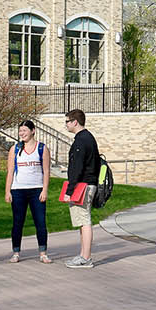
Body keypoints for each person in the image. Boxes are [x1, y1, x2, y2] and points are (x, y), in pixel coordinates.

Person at [5, 120, 52, 264]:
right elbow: (10, 171)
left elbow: (46, 171)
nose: (22, 134)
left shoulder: (42, 148)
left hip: (36, 190)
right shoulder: (15, 148)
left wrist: (44, 190)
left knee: (40, 222)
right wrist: (8, 191)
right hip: (18, 190)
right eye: (20, 131)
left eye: (25, 130)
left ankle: (43, 253)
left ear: (33, 131)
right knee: (18, 222)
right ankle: (16, 252)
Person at [63, 109, 102, 269]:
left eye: (67, 121)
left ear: (75, 122)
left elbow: (77, 168)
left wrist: (69, 191)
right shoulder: (88, 138)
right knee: (82, 221)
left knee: (84, 221)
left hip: (82, 186)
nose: (65, 125)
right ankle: (82, 255)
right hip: (88, 183)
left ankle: (85, 258)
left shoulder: (81, 140)